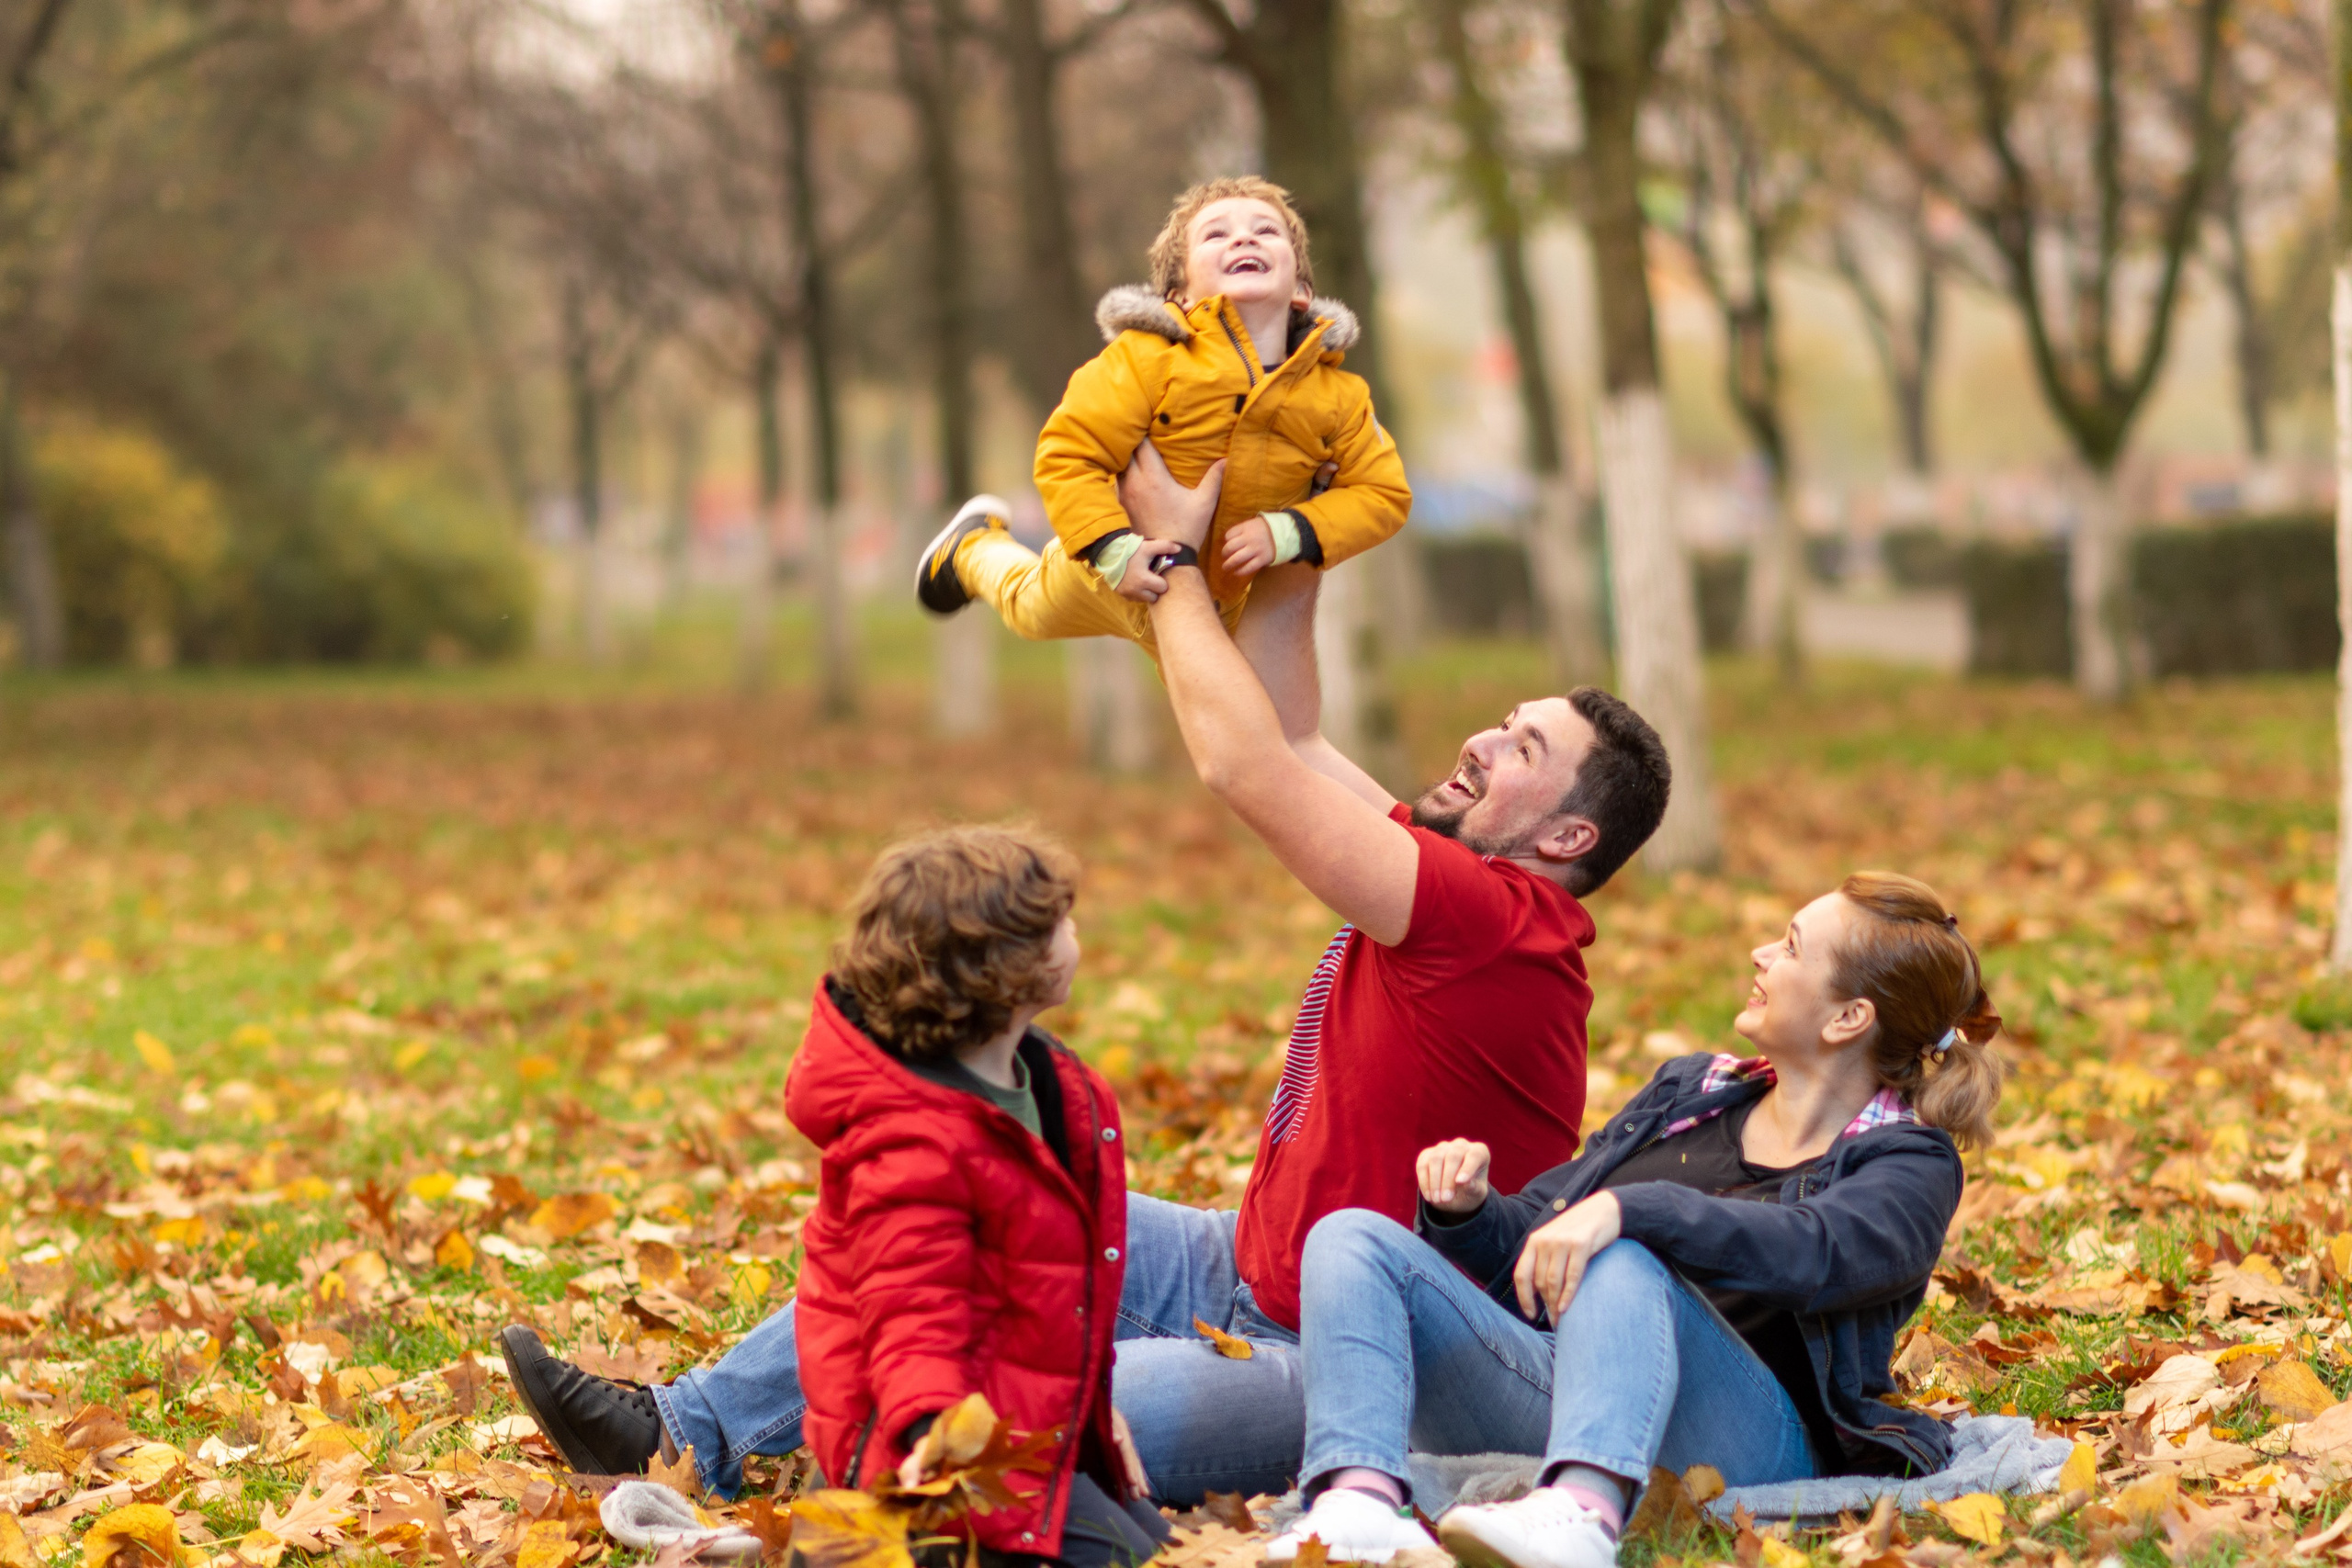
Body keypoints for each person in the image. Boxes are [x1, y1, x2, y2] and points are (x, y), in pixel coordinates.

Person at [500, 449, 1670, 1505]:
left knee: (1047, 1409)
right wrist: (1295, 511)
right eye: (1503, 720)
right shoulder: (1460, 882)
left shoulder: (1499, 921)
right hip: (1241, 1261)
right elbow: (1299, 735)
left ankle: (855, 1495)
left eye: (1523, 750)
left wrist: (1166, 566)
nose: (1479, 740)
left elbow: (1245, 763)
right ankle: (675, 1432)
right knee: (968, 1201)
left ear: (1568, 839)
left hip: (1353, 1357)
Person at [1260, 873, 2005, 1567]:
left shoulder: (1907, 1162)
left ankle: (1583, 1516)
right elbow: (1539, 1233)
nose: (1761, 953)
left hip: (1745, 1438)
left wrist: (1628, 1211)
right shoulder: (1691, 1093)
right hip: (1564, 1382)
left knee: (1623, 1251)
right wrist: (1472, 1210)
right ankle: (1357, 1505)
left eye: (1790, 946)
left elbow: (1819, 1254)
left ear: (1848, 1017)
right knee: (1352, 1234)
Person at [505, 826, 1165, 1568]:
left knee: (1149, 1543)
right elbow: (910, 1310)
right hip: (925, 1460)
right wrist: (930, 1431)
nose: (1078, 932)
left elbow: (1061, 1293)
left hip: (1022, 1430)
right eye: (1060, 922)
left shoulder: (1048, 1084)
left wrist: (1092, 1414)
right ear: (1003, 965)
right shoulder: (913, 1142)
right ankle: (837, 1547)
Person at [912, 175, 1409, 660]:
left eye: (1265, 230)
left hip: (1224, 607)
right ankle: (972, 548)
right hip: (1107, 567)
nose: (1243, 237)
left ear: (1301, 289)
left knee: (1233, 725)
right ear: (1179, 296)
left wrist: (1291, 530)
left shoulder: (1336, 394)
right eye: (1216, 234)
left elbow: (1382, 494)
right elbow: (1070, 451)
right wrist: (1113, 550)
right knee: (1029, 610)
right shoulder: (1148, 359)